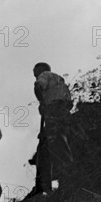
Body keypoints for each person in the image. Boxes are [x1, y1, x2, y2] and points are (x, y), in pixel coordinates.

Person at [33, 63, 73, 193]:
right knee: (61, 140)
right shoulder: (59, 79)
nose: (34, 74)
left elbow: (38, 86)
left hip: (54, 108)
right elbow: (68, 98)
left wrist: (43, 103)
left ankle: (61, 179)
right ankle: (66, 175)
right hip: (64, 109)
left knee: (54, 142)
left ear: (40, 70)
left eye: (35, 71)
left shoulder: (45, 75)